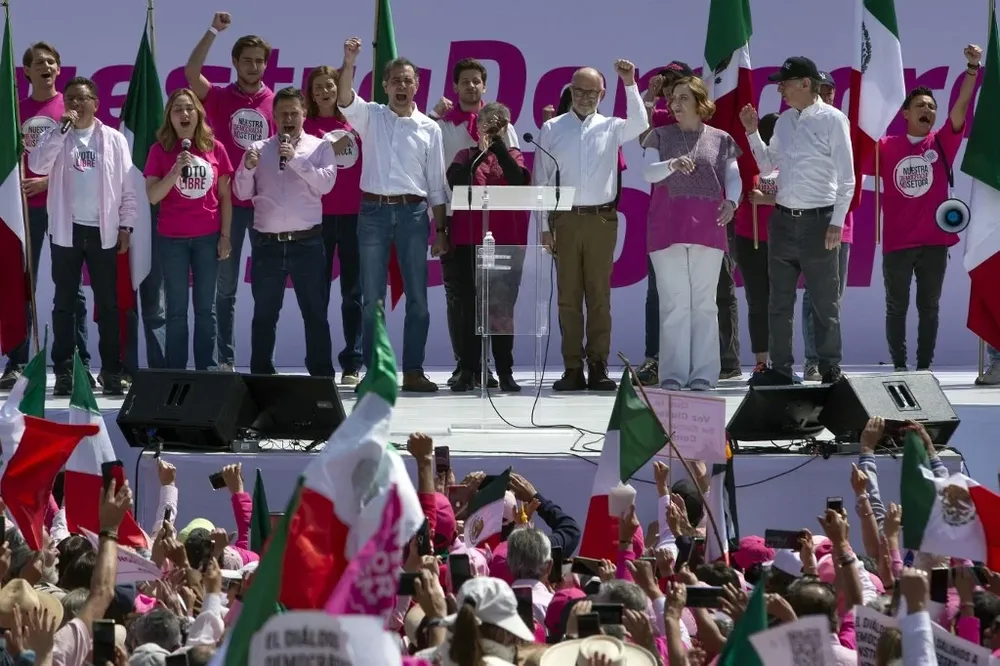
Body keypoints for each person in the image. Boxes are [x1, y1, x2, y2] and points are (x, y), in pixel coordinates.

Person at [337, 37, 448, 393]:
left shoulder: (430, 128)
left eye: (408, 80)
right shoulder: (371, 116)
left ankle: (413, 370)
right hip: (373, 212)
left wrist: (442, 228)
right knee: (372, 299)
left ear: (417, 85)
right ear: (384, 85)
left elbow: (435, 184)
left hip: (414, 214)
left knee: (418, 297)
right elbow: (343, 100)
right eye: (395, 80)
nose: (402, 86)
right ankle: (376, 372)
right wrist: (349, 60)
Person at [740, 56, 854, 386]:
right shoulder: (784, 121)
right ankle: (780, 368)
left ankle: (830, 368)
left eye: (786, 83)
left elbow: (847, 178)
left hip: (820, 222)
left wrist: (837, 222)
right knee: (779, 301)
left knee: (824, 303)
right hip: (783, 220)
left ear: (806, 84)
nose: (781, 89)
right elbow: (766, 168)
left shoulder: (834, 120)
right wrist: (751, 133)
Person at [535, 62, 648, 392]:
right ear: (570, 92)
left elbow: (641, 123)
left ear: (602, 93)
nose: (584, 98)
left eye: (591, 92)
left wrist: (629, 83)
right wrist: (544, 225)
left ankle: (598, 365)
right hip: (564, 219)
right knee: (568, 298)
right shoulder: (553, 128)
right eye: (578, 91)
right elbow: (541, 179)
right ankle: (572, 367)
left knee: (599, 297)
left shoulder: (612, 126)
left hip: (601, 219)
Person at [29, 77, 136, 395]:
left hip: (103, 233)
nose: (75, 104)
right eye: (70, 99)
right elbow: (37, 164)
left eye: (82, 98)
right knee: (64, 304)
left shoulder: (114, 139)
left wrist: (126, 226)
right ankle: (65, 371)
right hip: (66, 231)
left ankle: (112, 371)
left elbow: (128, 188)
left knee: (108, 305)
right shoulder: (56, 136)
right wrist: (60, 131)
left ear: (95, 104)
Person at [878, 45, 981, 371]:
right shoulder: (884, 146)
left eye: (932, 107)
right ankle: (899, 368)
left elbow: (962, 104)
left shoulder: (941, 142)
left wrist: (972, 68)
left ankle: (924, 370)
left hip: (935, 243)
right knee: (896, 308)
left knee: (929, 308)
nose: (928, 110)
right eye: (920, 105)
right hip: (897, 243)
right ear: (905, 113)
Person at [185, 11, 275, 371]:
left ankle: (262, 365)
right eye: (247, 60)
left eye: (259, 61)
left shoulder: (277, 103)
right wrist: (212, 30)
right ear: (235, 62)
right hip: (228, 207)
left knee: (266, 291)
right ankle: (226, 362)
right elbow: (191, 73)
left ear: (266, 65)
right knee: (225, 290)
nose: (253, 66)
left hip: (267, 205)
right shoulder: (220, 97)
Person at [3, 42, 93, 391]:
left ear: (59, 69)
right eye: (38, 62)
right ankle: (17, 360)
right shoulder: (15, 110)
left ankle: (78, 361)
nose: (45, 66)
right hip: (22, 210)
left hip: (63, 207)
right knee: (22, 283)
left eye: (51, 62)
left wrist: (47, 180)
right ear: (25, 72)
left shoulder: (69, 107)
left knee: (72, 289)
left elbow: (88, 161)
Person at [641, 77, 740, 391]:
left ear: (700, 103)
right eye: (673, 99)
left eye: (683, 98)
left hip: (708, 226)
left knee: (704, 303)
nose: (675, 105)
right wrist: (671, 163)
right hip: (666, 225)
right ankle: (672, 373)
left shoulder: (722, 139)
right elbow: (648, 172)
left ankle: (703, 373)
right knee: (674, 302)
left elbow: (733, 176)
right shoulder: (659, 136)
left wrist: (732, 200)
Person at [233, 87, 336, 377]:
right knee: (264, 315)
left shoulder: (320, 146)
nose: (289, 118)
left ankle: (321, 377)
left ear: (304, 114)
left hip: (308, 244)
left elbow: (326, 185)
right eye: (283, 113)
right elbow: (241, 191)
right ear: (274, 117)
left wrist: (295, 160)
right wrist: (248, 169)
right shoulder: (258, 149)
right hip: (267, 245)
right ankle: (261, 376)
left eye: (294, 112)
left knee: (315, 314)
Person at [431, 59, 520, 389]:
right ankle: (465, 366)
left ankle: (499, 369)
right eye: (464, 81)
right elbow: (435, 173)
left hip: (498, 229)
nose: (470, 86)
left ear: (484, 87)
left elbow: (517, 176)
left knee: (497, 302)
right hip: (458, 225)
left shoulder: (502, 125)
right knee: (461, 301)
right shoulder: (443, 126)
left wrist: (494, 146)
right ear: (455, 87)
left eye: (476, 81)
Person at [144, 88, 234, 371]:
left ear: (199, 114)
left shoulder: (215, 148)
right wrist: (173, 172)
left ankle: (207, 369)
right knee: (176, 310)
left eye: (189, 109)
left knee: (206, 309)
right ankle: (176, 371)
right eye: (177, 109)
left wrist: (225, 236)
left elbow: (225, 197)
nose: (184, 114)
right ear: (169, 117)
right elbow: (152, 196)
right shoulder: (159, 151)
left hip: (208, 238)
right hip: (172, 240)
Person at [446, 102, 530, 393]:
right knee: (469, 308)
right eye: (486, 122)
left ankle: (505, 370)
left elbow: (519, 180)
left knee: (501, 309)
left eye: (498, 123)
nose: (491, 127)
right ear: (476, 126)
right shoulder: (464, 155)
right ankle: (469, 370)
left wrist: (499, 149)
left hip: (505, 241)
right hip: (468, 241)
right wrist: (481, 152)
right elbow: (457, 183)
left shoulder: (514, 155)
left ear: (506, 128)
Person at [303, 65, 364, 386]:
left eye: (329, 86)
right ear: (310, 95)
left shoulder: (356, 121)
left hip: (355, 216)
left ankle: (353, 362)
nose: (325, 92)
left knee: (353, 293)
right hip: (318, 218)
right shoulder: (305, 125)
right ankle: (319, 363)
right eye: (318, 88)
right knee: (318, 294)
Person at [635, 63, 691, 386]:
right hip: (663, 214)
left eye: (676, 82)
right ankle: (654, 359)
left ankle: (693, 359)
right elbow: (641, 138)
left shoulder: (697, 119)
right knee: (657, 291)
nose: (669, 89)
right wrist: (647, 97)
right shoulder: (657, 118)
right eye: (665, 83)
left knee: (697, 293)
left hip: (696, 215)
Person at [800, 70, 854, 382]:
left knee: (831, 299)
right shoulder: (800, 126)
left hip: (840, 226)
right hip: (810, 223)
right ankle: (812, 361)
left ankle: (830, 362)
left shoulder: (840, 124)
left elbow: (850, 179)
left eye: (829, 89)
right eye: (820, 89)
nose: (826, 94)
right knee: (812, 296)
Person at [732, 113, 779, 379]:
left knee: (780, 302)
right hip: (750, 239)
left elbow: (801, 193)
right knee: (757, 301)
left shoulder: (790, 159)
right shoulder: (748, 159)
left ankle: (781, 361)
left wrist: (768, 199)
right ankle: (761, 361)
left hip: (782, 240)